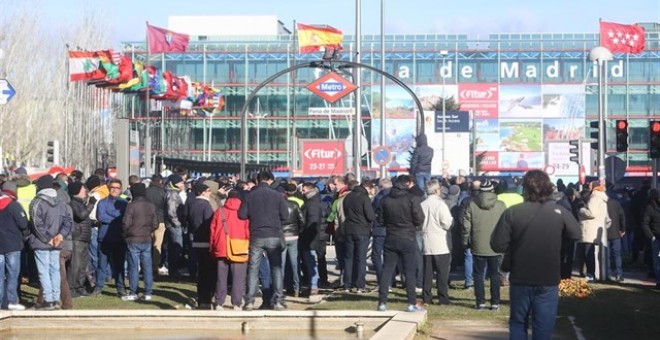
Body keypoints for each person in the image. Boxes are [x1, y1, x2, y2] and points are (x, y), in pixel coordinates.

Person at [491, 170, 581, 339]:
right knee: (543, 327)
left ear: (524, 189)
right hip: (548, 278)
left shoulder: (513, 212)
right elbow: (576, 233)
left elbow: (497, 244)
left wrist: (514, 243)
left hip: (520, 277)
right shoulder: (558, 212)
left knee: (518, 323)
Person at [239, 171, 289, 311]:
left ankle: (249, 302)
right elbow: (285, 216)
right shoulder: (277, 196)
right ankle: (278, 300)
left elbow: (242, 215)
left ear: (257, 180)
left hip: (256, 235)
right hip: (273, 234)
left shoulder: (250, 195)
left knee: (253, 269)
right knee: (276, 269)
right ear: (271, 180)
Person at [377, 175, 425, 312]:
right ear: (406, 185)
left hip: (391, 237)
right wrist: (412, 225)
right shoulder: (411, 199)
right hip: (407, 237)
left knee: (387, 270)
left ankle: (382, 302)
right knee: (409, 271)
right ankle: (411, 303)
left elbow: (380, 220)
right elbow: (419, 218)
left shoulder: (385, 199)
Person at [28, 175, 73, 310]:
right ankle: (54, 299)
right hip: (57, 242)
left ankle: (48, 300)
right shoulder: (61, 203)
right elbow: (68, 222)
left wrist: (48, 238)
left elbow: (36, 224)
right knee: (55, 270)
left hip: (42, 242)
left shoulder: (36, 202)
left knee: (44, 271)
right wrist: (60, 236)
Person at [462, 180, 507, 310]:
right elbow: (505, 225)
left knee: (478, 275)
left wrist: (465, 242)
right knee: (494, 274)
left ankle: (480, 302)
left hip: (478, 243)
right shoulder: (500, 205)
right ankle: (495, 303)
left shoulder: (472, 204)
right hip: (495, 245)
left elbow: (466, 226)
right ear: (492, 190)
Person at [210, 189, 250, 310]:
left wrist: (212, 248)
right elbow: (248, 231)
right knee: (239, 278)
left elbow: (212, 231)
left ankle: (219, 302)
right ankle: (237, 303)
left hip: (221, 247)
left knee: (221, 277)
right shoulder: (244, 212)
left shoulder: (219, 211)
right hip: (240, 247)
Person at [91, 179, 128, 297]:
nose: (114, 190)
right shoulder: (102, 202)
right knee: (101, 264)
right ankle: (98, 287)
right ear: (108, 188)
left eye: (117, 188)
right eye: (112, 187)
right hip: (104, 237)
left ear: (121, 190)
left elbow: (125, 219)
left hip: (120, 238)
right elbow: (101, 217)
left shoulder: (124, 203)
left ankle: (120, 288)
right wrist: (117, 219)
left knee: (119, 265)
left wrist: (113, 219)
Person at [121, 183, 157, 301]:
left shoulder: (131, 206)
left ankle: (133, 291)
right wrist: (147, 230)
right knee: (147, 266)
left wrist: (125, 233)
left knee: (133, 266)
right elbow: (155, 224)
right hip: (146, 238)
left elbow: (126, 223)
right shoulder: (151, 206)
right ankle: (148, 292)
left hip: (133, 238)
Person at [420, 179, 453, 306]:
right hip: (440, 242)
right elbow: (446, 222)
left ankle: (426, 297)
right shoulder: (440, 204)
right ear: (436, 190)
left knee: (428, 273)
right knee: (442, 273)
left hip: (427, 241)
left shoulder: (423, 204)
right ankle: (443, 297)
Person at [341, 180, 376, 293]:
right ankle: (360, 285)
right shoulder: (364, 198)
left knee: (348, 258)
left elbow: (345, 213)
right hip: (362, 230)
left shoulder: (347, 197)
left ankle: (347, 284)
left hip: (349, 229)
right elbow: (370, 216)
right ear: (367, 188)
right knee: (361, 259)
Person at [0, 181, 30, 310]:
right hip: (13, 244)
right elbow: (24, 224)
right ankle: (11, 300)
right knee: (13, 274)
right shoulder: (14, 206)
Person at [188, 183, 216, 309]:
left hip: (195, 240)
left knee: (201, 271)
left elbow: (185, 218)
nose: (210, 193)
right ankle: (207, 298)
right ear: (202, 192)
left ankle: (200, 297)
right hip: (206, 241)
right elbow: (210, 223)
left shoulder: (191, 203)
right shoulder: (206, 205)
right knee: (208, 272)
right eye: (208, 190)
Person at [577, 182, 609, 282]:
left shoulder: (595, 198)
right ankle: (591, 274)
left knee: (588, 254)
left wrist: (581, 210)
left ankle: (591, 275)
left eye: (590, 186)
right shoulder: (601, 197)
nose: (589, 188)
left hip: (589, 229)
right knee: (589, 253)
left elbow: (592, 213)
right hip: (594, 228)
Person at [67, 182, 95, 297]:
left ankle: (80, 287)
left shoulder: (81, 203)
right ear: (77, 190)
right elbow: (81, 215)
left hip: (84, 238)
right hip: (77, 238)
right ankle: (71, 288)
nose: (85, 191)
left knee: (83, 265)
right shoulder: (73, 203)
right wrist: (91, 204)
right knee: (75, 265)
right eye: (83, 189)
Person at [299, 182, 325, 296]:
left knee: (310, 262)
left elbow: (312, 222)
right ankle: (312, 285)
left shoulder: (312, 203)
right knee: (309, 262)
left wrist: (306, 235)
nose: (302, 192)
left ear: (310, 190)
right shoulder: (310, 202)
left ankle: (313, 286)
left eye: (304, 190)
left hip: (310, 238)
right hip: (309, 237)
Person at [281, 183, 304, 297]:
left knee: (281, 264)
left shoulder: (277, 207)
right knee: (295, 263)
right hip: (294, 236)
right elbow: (301, 220)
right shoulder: (294, 205)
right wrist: (298, 231)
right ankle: (297, 288)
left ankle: (280, 288)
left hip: (282, 236)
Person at [145, 174, 167, 276]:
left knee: (146, 244)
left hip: (146, 220)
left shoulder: (146, 191)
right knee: (157, 245)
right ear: (161, 181)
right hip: (160, 220)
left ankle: (145, 265)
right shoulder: (163, 192)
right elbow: (165, 207)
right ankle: (155, 266)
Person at [371, 178, 392, 283]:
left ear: (381, 187)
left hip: (379, 230)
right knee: (390, 256)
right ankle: (391, 279)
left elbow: (372, 211)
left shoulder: (379, 197)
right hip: (392, 230)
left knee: (376, 255)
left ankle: (382, 279)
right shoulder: (395, 196)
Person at [641, 189, 660, 290]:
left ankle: (658, 280)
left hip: (655, 237)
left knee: (657, 260)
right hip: (656, 237)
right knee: (657, 260)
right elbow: (645, 223)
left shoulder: (649, 207)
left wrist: (650, 235)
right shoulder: (650, 208)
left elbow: (645, 222)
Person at [606, 189, 626, 282]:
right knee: (617, 254)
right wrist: (622, 229)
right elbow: (622, 217)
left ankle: (608, 273)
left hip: (605, 234)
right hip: (616, 233)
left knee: (607, 255)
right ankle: (619, 274)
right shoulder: (616, 204)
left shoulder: (602, 205)